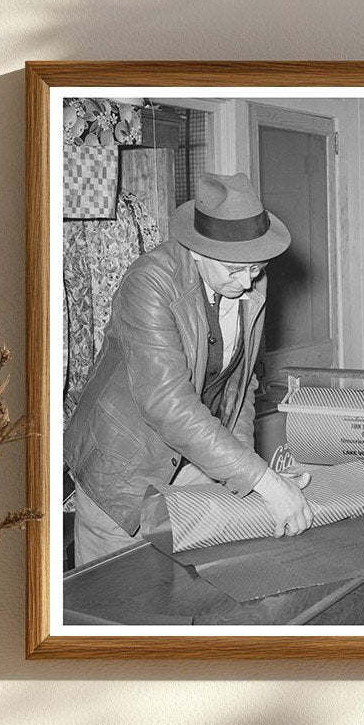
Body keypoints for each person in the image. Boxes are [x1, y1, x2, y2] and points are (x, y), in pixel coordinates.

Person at [65, 172, 312, 566]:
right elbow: (167, 404)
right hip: (124, 465)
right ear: (197, 251)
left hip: (193, 454)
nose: (249, 283)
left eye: (257, 268)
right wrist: (265, 482)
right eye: (236, 271)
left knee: (191, 583)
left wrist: (246, 477)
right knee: (116, 599)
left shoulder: (248, 278)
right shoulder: (148, 284)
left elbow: (240, 384)